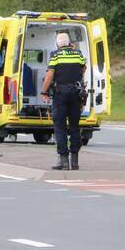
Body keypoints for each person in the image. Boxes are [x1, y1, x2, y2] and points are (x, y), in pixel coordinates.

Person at [40, 33, 86, 171]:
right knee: (74, 127)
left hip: (61, 95)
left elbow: (49, 75)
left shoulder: (56, 55)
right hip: (76, 94)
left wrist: (44, 91)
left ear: (57, 44)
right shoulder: (78, 54)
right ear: (69, 43)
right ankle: (75, 161)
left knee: (59, 126)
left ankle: (63, 161)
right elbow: (83, 68)